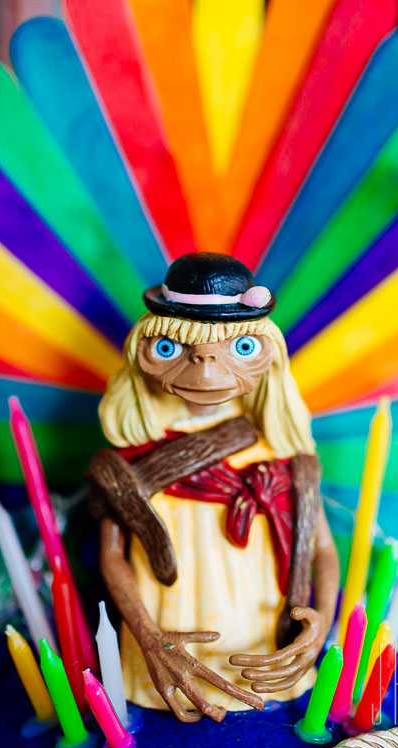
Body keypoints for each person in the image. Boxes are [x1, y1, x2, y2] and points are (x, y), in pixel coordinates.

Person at [90, 252, 340, 723]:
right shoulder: (132, 458)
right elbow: (110, 555)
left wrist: (322, 621)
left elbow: (322, 547)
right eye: (170, 348)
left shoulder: (278, 451)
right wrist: (147, 635)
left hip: (266, 651)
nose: (205, 372)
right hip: (162, 655)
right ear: (144, 350)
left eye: (241, 348)